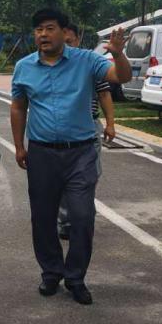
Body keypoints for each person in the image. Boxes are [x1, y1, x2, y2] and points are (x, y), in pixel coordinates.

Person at [10, 9, 130, 306]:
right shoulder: (24, 67)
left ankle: (76, 277)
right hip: (42, 153)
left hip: (81, 152)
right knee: (43, 217)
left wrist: (118, 54)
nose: (43, 34)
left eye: (49, 28)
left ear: (65, 33)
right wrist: (19, 146)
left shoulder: (87, 60)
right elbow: (18, 107)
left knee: (82, 216)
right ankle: (51, 271)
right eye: (38, 29)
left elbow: (121, 76)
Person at [58, 23, 116, 240]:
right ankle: (66, 221)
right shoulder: (50, 66)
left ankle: (84, 218)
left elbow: (104, 94)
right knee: (63, 178)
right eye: (62, 42)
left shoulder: (90, 63)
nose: (66, 46)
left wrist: (110, 123)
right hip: (61, 130)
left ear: (77, 40)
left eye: (69, 41)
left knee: (90, 175)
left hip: (89, 128)